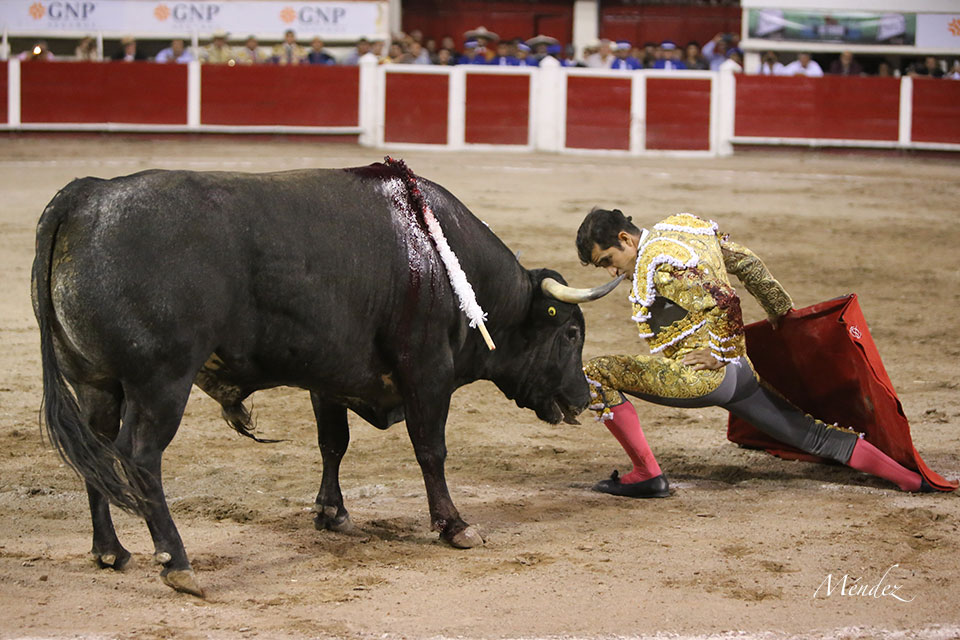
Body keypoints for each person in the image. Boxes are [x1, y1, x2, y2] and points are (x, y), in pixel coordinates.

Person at [575, 208, 933, 497]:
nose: (610, 270)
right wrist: (779, 310)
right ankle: (910, 479)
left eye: (608, 259)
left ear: (625, 239)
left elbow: (725, 300)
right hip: (741, 374)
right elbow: (747, 264)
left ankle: (646, 474)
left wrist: (720, 352)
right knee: (813, 435)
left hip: (703, 377)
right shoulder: (682, 227)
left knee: (596, 372)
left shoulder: (659, 263)